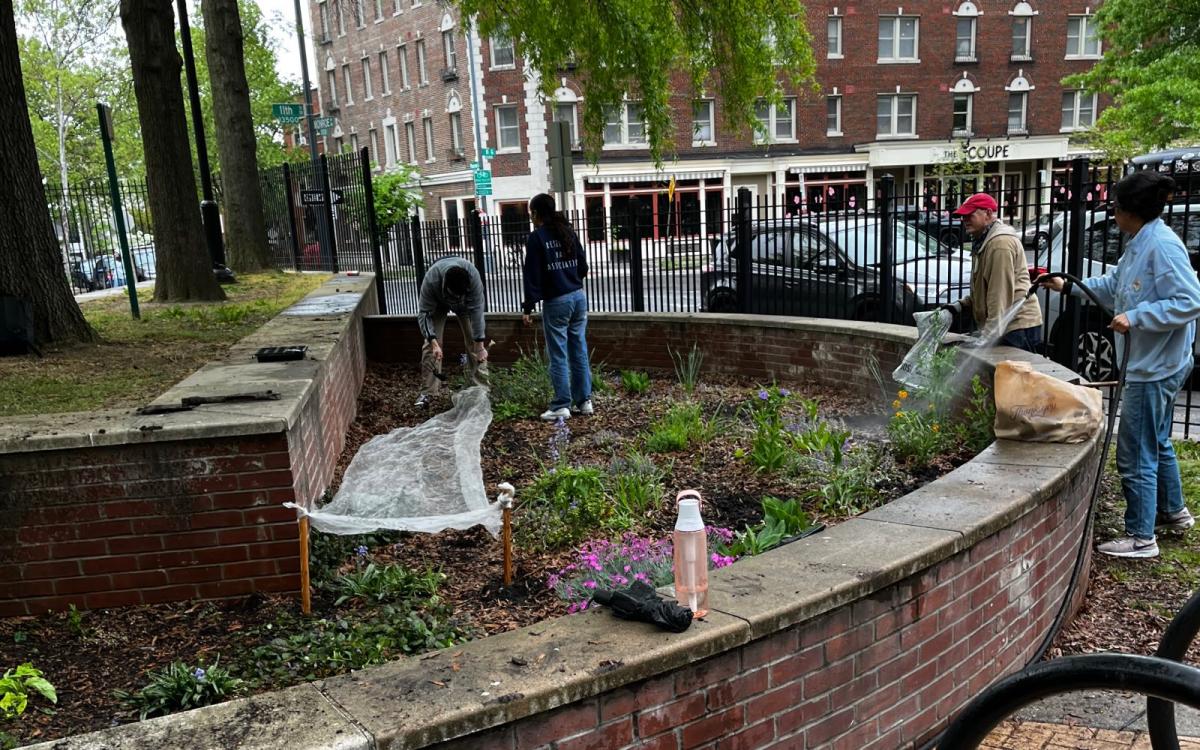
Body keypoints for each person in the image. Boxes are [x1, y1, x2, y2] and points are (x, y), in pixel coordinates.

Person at [1041, 171, 1200, 558]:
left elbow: (1190, 300)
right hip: (1157, 360)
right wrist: (1070, 286)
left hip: (1155, 365)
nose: (1111, 212)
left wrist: (1138, 317)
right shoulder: (1140, 242)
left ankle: (1141, 537)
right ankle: (1172, 512)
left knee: (1134, 449)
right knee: (1157, 440)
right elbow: (1116, 285)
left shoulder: (1161, 246)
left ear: (1130, 210)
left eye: (1115, 206)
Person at [521, 193, 593, 421]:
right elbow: (583, 266)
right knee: (579, 350)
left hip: (557, 301)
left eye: (531, 213)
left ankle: (561, 404)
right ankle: (584, 401)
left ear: (535, 213)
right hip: (578, 297)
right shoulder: (568, 232)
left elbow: (532, 275)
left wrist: (528, 307)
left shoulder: (537, 238)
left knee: (558, 354)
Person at [943, 192, 1044, 351]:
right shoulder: (984, 241)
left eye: (970, 214)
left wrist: (986, 338)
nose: (965, 220)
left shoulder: (999, 244)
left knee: (1012, 376)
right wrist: (957, 306)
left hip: (1017, 328)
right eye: (963, 216)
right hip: (1008, 327)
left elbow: (999, 294)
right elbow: (983, 291)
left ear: (988, 213)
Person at [415, 256, 488, 407]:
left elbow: (477, 312)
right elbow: (424, 314)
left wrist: (480, 346)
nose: (455, 299)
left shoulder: (473, 278)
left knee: (473, 342)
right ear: (445, 285)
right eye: (453, 295)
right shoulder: (431, 280)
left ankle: (481, 388)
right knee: (431, 345)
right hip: (438, 303)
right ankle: (428, 393)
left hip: (465, 306)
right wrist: (434, 343)